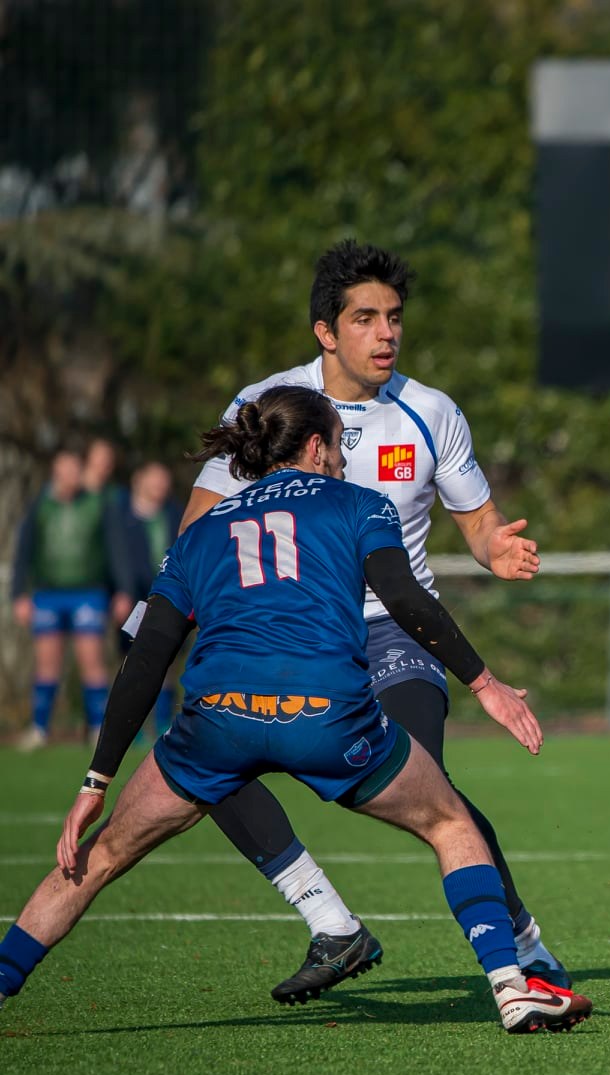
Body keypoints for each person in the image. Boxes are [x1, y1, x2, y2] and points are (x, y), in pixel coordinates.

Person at [0, 386, 590, 1033]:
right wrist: (484, 683)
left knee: (100, 853)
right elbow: (406, 598)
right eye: (338, 446)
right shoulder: (361, 504)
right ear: (316, 446)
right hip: (325, 715)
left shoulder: (204, 531)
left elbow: (147, 657)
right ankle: (512, 985)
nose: (341, 460)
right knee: (451, 823)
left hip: (216, 723)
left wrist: (97, 780)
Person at [179, 240, 570, 1004]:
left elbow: (480, 522)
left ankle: (524, 947)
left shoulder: (430, 412)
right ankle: (331, 922)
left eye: (394, 317)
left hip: (395, 632)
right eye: (366, 318)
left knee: (429, 787)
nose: (386, 333)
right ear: (326, 331)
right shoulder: (270, 407)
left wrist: (500, 549)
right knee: (205, 753)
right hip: (286, 636)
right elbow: (199, 522)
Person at [11, 449, 116, 749]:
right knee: (46, 663)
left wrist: (119, 589)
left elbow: (112, 548)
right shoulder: (40, 505)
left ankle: (98, 729)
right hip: (48, 594)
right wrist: (19, 594)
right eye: (64, 471)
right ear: (55, 474)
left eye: (75, 470)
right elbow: (24, 551)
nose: (70, 477)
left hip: (87, 592)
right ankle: (39, 729)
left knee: (91, 661)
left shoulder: (95, 503)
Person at [107, 460, 184, 735]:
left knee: (166, 659)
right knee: (131, 660)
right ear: (139, 480)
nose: (160, 485)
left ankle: (162, 723)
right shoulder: (120, 514)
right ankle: (131, 727)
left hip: (167, 594)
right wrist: (121, 591)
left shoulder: (175, 513)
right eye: (155, 479)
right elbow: (115, 559)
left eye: (164, 480)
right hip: (133, 598)